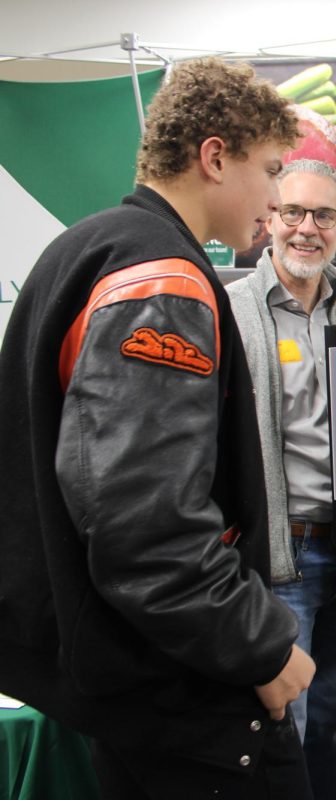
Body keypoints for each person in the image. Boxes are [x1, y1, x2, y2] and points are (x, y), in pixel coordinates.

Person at [0, 58, 316, 799]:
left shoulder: (89, 246)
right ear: (214, 157)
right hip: (173, 690)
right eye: (269, 170)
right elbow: (146, 529)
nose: (275, 201)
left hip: (112, 671)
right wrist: (264, 649)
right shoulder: (160, 279)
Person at [227, 158, 336, 800]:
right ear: (270, 219)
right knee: (286, 719)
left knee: (333, 714)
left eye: (325, 215)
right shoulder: (232, 313)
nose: (307, 229)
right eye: (294, 212)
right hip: (283, 554)